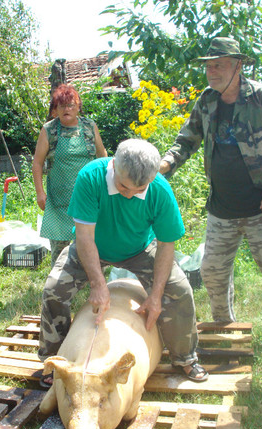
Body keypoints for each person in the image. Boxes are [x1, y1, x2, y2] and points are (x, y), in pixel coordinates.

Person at [159, 36, 262, 354]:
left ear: (237, 66)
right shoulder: (207, 101)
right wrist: (162, 165)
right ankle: (224, 326)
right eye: (209, 66)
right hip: (222, 208)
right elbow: (185, 141)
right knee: (213, 272)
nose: (211, 71)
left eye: (218, 65)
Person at [38, 138, 208, 388]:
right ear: (114, 166)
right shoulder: (91, 177)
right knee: (54, 289)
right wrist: (97, 284)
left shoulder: (160, 190)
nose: (129, 195)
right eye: (123, 187)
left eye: (138, 191)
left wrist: (156, 296)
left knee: (180, 291)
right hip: (93, 246)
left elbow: (165, 245)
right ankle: (54, 361)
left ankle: (184, 357)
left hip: (140, 248)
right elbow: (84, 237)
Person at [32, 84, 107, 266]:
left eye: (71, 105)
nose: (67, 110)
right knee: (60, 247)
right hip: (59, 199)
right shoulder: (49, 130)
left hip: (88, 196)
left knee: (89, 241)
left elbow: (102, 156)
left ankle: (91, 278)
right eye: (62, 106)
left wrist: (105, 187)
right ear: (55, 109)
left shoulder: (89, 127)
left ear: (78, 107)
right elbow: (37, 163)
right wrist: (40, 193)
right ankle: (58, 283)